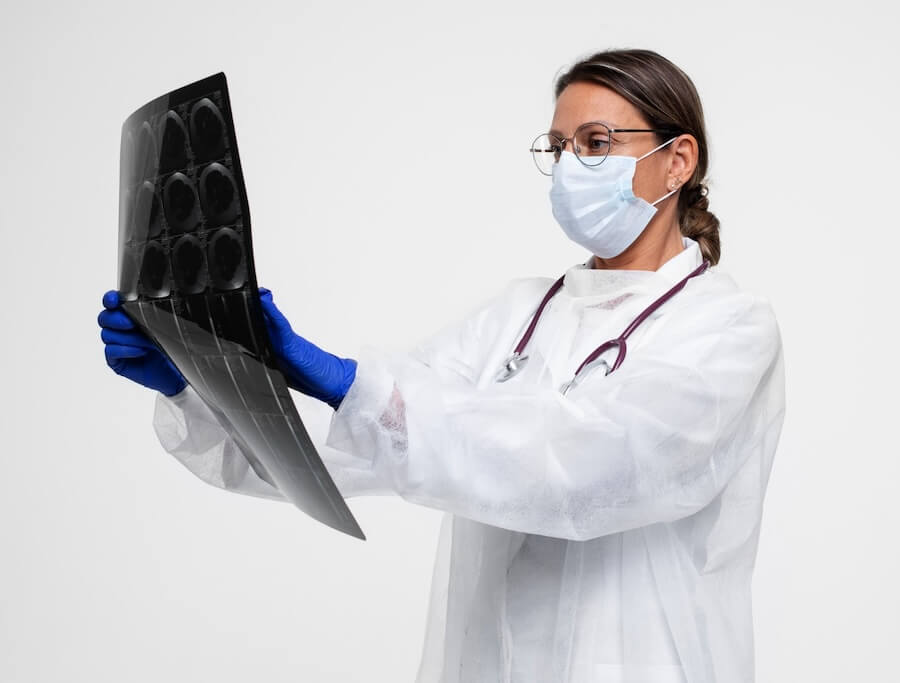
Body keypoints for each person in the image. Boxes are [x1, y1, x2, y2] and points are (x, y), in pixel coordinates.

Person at [98, 48, 786, 683]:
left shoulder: (727, 331)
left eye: (597, 143)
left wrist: (348, 382)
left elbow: (591, 466)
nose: (572, 165)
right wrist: (199, 385)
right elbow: (352, 453)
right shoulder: (518, 317)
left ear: (678, 160)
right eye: (559, 147)